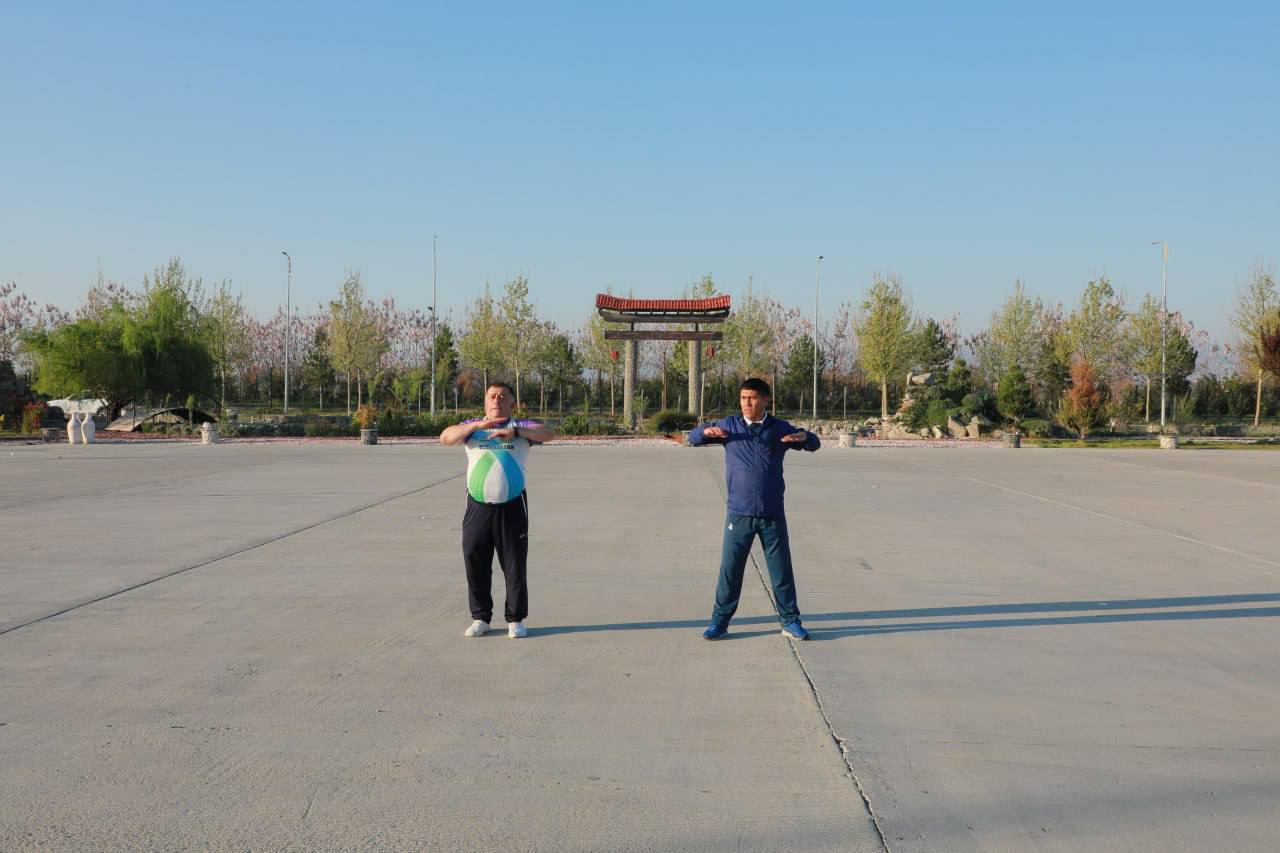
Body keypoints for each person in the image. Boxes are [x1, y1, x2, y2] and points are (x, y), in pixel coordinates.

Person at [687, 377, 820, 641]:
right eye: (743, 398)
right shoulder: (730, 426)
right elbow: (692, 437)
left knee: (781, 570)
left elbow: (814, 443)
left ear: (766, 400)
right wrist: (705, 432)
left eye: (753, 398)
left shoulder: (778, 428)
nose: (747, 403)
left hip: (772, 514)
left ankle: (790, 621)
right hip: (739, 513)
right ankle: (719, 622)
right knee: (730, 570)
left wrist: (805, 436)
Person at [441, 382, 556, 638]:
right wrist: (476, 426)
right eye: (492, 396)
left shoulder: (521, 426)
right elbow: (446, 437)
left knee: (514, 564)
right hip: (477, 508)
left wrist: (515, 432)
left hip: (512, 507)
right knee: (475, 562)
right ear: (485, 402)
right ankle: (480, 617)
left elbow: (549, 434)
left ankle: (516, 619)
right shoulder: (472, 427)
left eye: (503, 396)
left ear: (512, 403)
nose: (497, 400)